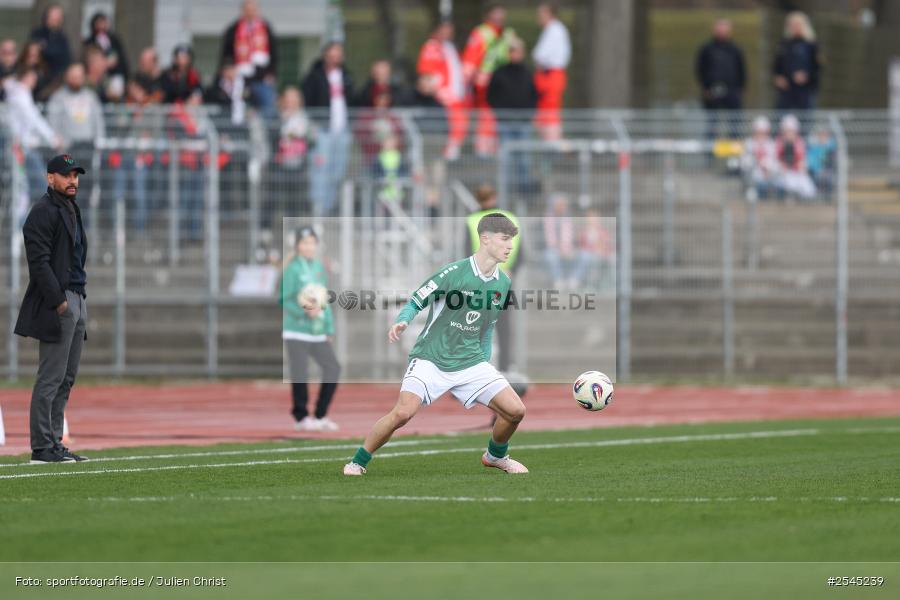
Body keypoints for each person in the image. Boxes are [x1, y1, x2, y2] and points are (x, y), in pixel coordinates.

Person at [344, 212, 528, 476]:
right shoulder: (453, 273)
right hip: (431, 357)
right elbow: (417, 299)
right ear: (485, 239)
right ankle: (358, 461)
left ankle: (496, 455)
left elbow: (487, 326)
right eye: (505, 239)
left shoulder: (503, 281)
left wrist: (484, 359)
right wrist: (403, 321)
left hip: (471, 361)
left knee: (515, 411)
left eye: (512, 240)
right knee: (403, 414)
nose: (510, 246)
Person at [14, 154, 89, 464]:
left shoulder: (69, 207)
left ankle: (54, 443)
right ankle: (42, 447)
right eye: (65, 175)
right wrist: (59, 301)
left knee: (66, 377)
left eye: (75, 175)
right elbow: (39, 263)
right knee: (51, 377)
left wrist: (77, 299)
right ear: (50, 179)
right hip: (60, 302)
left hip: (77, 296)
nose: (72, 180)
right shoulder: (43, 212)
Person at [281, 226, 341, 432]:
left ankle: (321, 414)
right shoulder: (292, 269)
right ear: (297, 245)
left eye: (311, 243)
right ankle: (301, 416)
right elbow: (284, 300)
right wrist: (304, 310)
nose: (308, 247)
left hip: (316, 331)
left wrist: (329, 328)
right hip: (296, 331)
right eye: (304, 243)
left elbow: (324, 300)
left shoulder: (318, 267)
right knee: (300, 372)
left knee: (333, 367)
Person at [465, 184, 521, 373]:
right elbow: (520, 252)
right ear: (494, 197)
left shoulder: (472, 220)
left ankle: (475, 370)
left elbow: (467, 253)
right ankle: (505, 369)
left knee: (474, 327)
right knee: (503, 328)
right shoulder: (510, 218)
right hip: (502, 280)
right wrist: (510, 269)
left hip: (481, 281)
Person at [301, 41, 353, 217]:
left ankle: (330, 206)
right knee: (320, 169)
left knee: (337, 170)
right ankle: (318, 206)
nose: (335, 58)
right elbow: (307, 100)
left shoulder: (345, 75)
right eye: (332, 54)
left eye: (338, 54)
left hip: (342, 130)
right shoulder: (315, 75)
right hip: (322, 129)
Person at [4, 68, 63, 220]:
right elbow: (34, 119)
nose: (35, 80)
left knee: (23, 191)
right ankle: (21, 230)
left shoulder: (16, 93)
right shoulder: (20, 94)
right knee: (28, 190)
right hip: (22, 150)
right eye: (32, 76)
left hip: (22, 149)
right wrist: (52, 138)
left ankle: (19, 231)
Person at [462, 4, 516, 156]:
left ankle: (496, 151)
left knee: (498, 120)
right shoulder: (481, 33)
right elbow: (469, 62)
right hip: (485, 85)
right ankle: (484, 152)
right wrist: (470, 81)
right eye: (496, 14)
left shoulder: (508, 34)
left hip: (503, 86)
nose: (499, 18)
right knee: (485, 119)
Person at [487, 37, 538, 195]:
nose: (515, 54)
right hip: (505, 122)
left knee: (524, 158)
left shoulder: (528, 73)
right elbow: (491, 95)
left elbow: (534, 96)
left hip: (523, 123)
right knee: (505, 159)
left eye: (518, 51)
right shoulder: (499, 73)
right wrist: (500, 112)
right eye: (513, 51)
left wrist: (528, 114)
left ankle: (524, 191)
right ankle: (505, 192)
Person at [417, 19, 467, 160]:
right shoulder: (432, 47)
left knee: (458, 133)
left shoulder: (449, 47)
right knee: (444, 137)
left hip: (455, 100)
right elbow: (426, 76)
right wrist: (438, 91)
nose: (448, 33)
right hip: (442, 101)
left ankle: (451, 158)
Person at [220, 0, 278, 118]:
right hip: (240, 79)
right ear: (243, 11)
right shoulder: (234, 29)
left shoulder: (265, 27)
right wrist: (228, 68)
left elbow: (274, 52)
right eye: (247, 10)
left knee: (267, 110)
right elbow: (226, 53)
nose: (250, 13)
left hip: (262, 78)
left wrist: (272, 73)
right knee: (239, 109)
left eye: (253, 9)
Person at [695, 18, 745, 139]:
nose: (722, 32)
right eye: (720, 29)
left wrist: (740, 88)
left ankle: (735, 154)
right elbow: (700, 69)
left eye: (725, 29)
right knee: (712, 124)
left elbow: (742, 70)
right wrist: (705, 87)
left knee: (735, 124)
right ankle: (709, 155)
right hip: (712, 90)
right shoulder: (707, 49)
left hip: (732, 90)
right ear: (714, 30)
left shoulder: (735, 49)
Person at [532, 2, 571, 141]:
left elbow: (541, 56)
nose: (538, 17)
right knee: (544, 112)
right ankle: (549, 141)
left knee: (550, 112)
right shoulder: (551, 29)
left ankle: (553, 143)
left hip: (551, 75)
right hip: (548, 75)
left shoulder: (555, 30)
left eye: (541, 14)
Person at [46, 63, 105, 150]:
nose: (76, 80)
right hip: (66, 148)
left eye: (79, 76)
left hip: (89, 147)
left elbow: (98, 120)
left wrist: (100, 140)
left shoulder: (91, 96)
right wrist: (56, 140)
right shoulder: (58, 98)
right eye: (73, 76)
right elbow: (52, 121)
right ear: (66, 77)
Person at [773, 12, 821, 113]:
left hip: (805, 91)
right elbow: (776, 65)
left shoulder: (811, 45)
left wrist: (806, 76)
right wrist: (778, 77)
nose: (794, 27)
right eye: (792, 25)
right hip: (786, 90)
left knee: (805, 120)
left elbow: (818, 68)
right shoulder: (784, 44)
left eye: (797, 24)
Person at [775, 114, 816, 200]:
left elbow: (802, 160)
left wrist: (800, 167)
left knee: (809, 189)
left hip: (797, 172)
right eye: (787, 131)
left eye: (791, 131)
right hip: (782, 174)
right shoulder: (778, 142)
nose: (789, 133)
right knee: (788, 183)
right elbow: (777, 160)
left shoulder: (800, 142)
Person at [29, 4, 71, 86]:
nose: (56, 20)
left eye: (58, 17)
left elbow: (66, 58)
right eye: (53, 17)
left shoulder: (62, 37)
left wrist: (46, 48)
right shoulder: (37, 33)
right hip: (39, 76)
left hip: (57, 78)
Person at [741, 115, 779, 200]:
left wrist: (767, 167)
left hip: (769, 174)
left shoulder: (771, 144)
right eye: (759, 132)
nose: (761, 135)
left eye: (763, 132)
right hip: (753, 174)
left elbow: (774, 161)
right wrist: (758, 162)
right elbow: (745, 163)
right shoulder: (749, 143)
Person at [84, 12, 129, 83]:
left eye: (103, 22)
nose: (102, 26)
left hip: (114, 73)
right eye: (99, 23)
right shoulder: (89, 41)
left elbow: (121, 56)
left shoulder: (114, 39)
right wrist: (104, 62)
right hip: (97, 75)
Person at [806, 125, 836, 199]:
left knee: (828, 176)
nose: (822, 137)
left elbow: (830, 161)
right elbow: (810, 160)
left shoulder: (831, 146)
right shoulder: (813, 146)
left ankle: (827, 197)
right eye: (820, 134)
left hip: (827, 169)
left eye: (824, 135)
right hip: (815, 170)